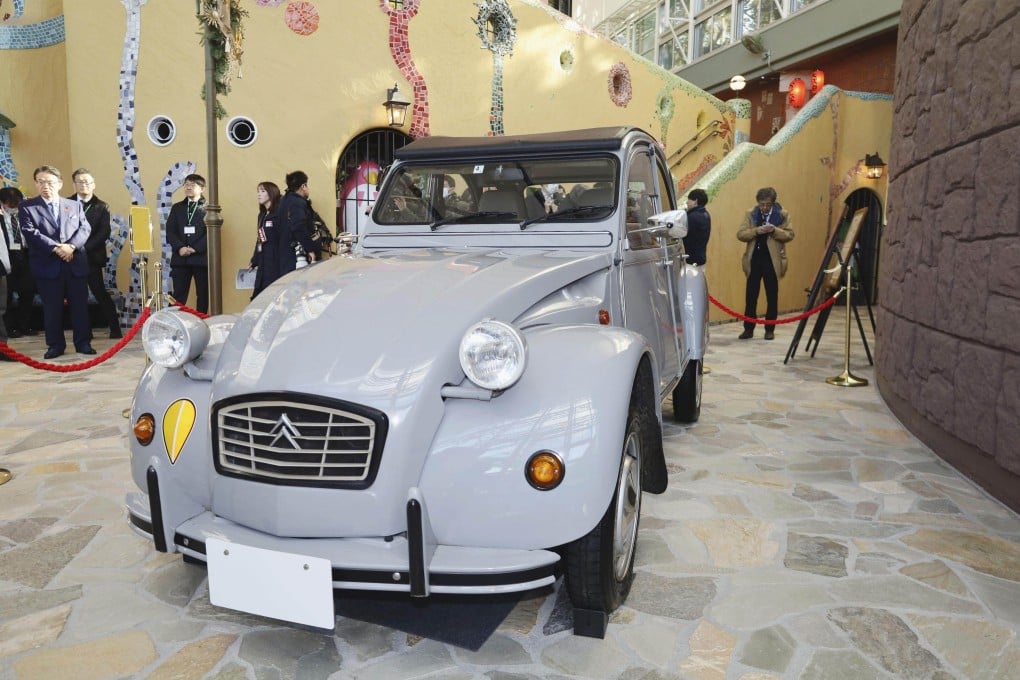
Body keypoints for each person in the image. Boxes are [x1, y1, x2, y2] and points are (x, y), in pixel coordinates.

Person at [18, 165, 94, 359]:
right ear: (36, 184)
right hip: (47, 266)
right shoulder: (28, 207)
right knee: (52, 309)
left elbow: (84, 229)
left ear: (59, 184)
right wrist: (57, 248)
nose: (46, 186)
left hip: (74, 263)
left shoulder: (74, 205)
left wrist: (71, 247)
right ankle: (55, 345)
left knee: (80, 307)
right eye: (41, 182)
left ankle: (83, 342)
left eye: (50, 182)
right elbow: (30, 232)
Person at [737, 187, 795, 340]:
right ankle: (748, 329)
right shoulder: (750, 214)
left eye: (767, 204)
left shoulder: (782, 214)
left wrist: (774, 230)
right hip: (754, 259)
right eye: (761, 204)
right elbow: (741, 234)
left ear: (773, 203)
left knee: (772, 295)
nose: (764, 207)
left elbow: (790, 234)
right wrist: (756, 231)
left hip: (772, 260)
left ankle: (770, 329)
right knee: (750, 296)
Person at [71, 169, 121, 339]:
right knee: (77, 296)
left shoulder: (101, 206)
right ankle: (85, 332)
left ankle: (115, 328)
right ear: (74, 184)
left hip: (90, 257)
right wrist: (70, 248)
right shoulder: (67, 203)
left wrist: (81, 248)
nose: (83, 184)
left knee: (100, 293)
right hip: (69, 257)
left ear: (93, 184)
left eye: (87, 181)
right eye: (79, 181)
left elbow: (103, 232)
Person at [165, 174, 208, 313]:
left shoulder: (209, 208)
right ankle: (176, 323)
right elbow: (170, 231)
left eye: (192, 185)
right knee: (178, 294)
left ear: (202, 188)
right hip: (180, 258)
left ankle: (202, 321)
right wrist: (180, 247)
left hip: (201, 258)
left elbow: (211, 233)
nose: (188, 187)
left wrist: (195, 248)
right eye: (186, 184)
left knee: (203, 294)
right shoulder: (177, 208)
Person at [1, 187, 37, 338]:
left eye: (17, 204)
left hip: (24, 256)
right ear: (2, 203)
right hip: (5, 259)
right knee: (6, 297)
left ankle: (25, 325)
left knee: (27, 292)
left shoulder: (25, 214)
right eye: (11, 205)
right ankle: (10, 328)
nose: (14, 207)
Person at [276, 170, 320, 275]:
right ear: (303, 186)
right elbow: (298, 227)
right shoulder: (297, 202)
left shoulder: (284, 201)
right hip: (297, 257)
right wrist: (310, 249)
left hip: (286, 255)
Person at [249, 181, 282, 299]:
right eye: (258, 191)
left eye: (263, 191)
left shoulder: (279, 213)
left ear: (272, 193)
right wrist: (254, 259)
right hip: (263, 261)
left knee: (271, 295)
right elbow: (260, 238)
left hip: (275, 262)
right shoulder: (262, 215)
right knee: (258, 296)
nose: (259, 194)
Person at [683, 189, 711, 266]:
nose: (687, 202)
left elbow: (683, 234)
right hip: (700, 258)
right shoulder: (705, 214)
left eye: (689, 199)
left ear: (695, 201)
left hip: (691, 261)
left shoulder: (692, 217)